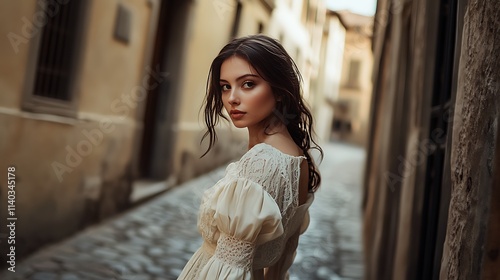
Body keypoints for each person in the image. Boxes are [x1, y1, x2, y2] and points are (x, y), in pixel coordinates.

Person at [178, 34, 323, 280]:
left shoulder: (264, 163)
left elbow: (229, 271)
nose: (232, 98)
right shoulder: (294, 155)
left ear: (278, 90)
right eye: (225, 86)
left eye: (247, 84)